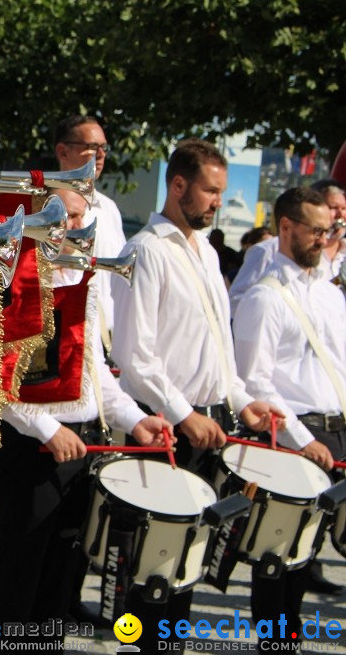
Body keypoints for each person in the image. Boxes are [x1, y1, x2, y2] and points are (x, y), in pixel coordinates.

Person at [0, 188, 171, 647]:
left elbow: (96, 372)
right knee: (18, 577)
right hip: (31, 448)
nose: (74, 228)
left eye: (81, 217)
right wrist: (48, 427)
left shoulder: (85, 279)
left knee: (62, 576)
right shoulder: (10, 281)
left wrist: (134, 417)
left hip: (82, 446)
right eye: (61, 216)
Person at [112, 138, 282, 649]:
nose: (216, 201)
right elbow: (134, 357)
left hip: (209, 426)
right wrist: (186, 415)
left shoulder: (207, 252)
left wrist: (239, 400)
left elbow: (219, 347)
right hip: (165, 427)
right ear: (178, 185)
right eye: (210, 191)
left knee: (187, 566)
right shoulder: (144, 250)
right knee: (152, 576)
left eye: (220, 192)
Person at [233, 186, 345, 638]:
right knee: (277, 556)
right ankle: (276, 644)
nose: (325, 239)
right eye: (316, 231)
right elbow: (254, 384)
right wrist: (304, 439)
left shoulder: (331, 294)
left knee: (311, 551)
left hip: (334, 432)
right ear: (286, 227)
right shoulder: (265, 297)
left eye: (330, 230)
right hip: (293, 439)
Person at [54, 115, 126, 355]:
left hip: (107, 344)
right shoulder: (45, 205)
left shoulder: (110, 210)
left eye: (104, 147)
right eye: (92, 147)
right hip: (64, 339)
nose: (102, 154)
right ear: (63, 152)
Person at [229, 180, 346, 311]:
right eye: (334, 208)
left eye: (344, 208)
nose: (340, 214)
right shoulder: (268, 250)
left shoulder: (343, 253)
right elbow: (236, 301)